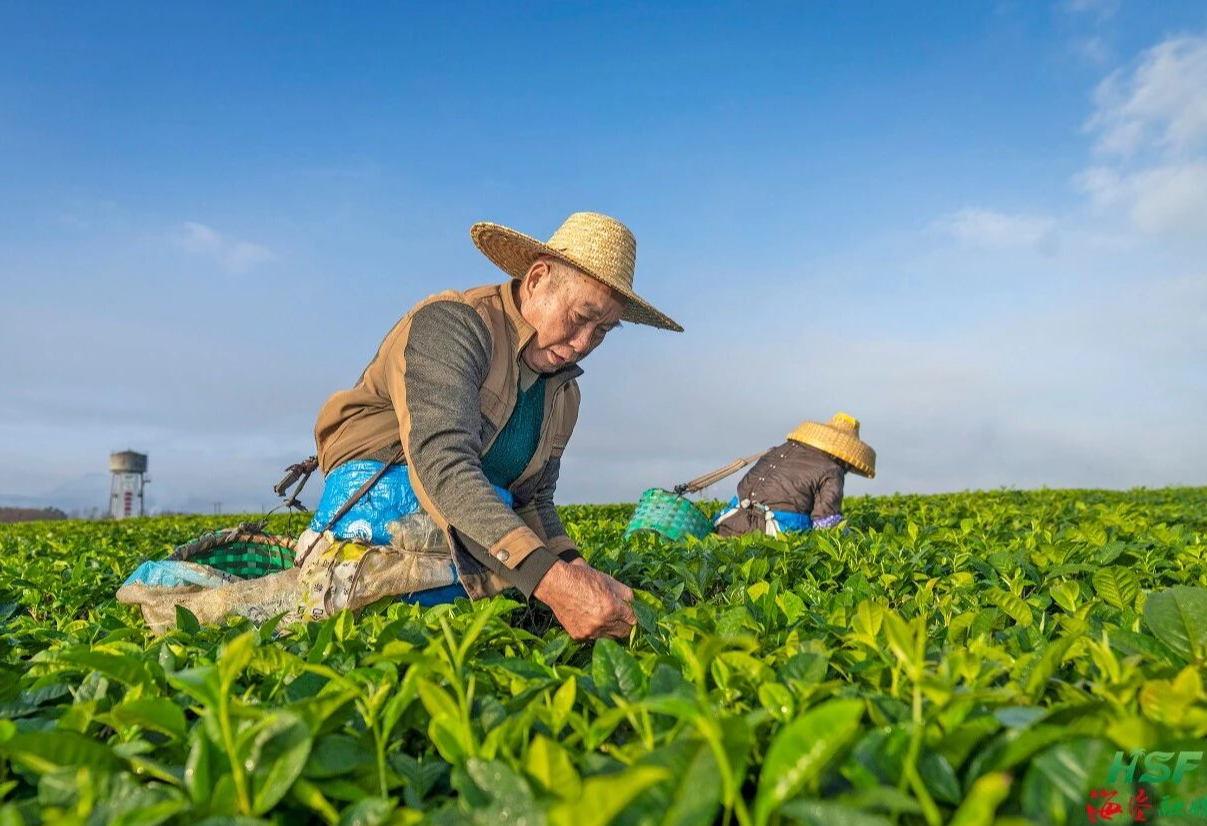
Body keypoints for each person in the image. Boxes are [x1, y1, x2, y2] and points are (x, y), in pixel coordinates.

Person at [303, 212, 682, 640]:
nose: (583, 344)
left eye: (602, 331)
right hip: (379, 497)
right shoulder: (454, 325)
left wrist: (577, 570)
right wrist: (551, 582)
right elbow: (442, 463)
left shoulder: (564, 395)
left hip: (479, 531)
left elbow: (534, 501)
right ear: (538, 278)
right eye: (579, 317)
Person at [713, 413, 875, 538]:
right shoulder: (832, 469)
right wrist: (854, 540)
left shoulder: (780, 449)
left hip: (728, 523)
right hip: (769, 535)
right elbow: (826, 523)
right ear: (845, 457)